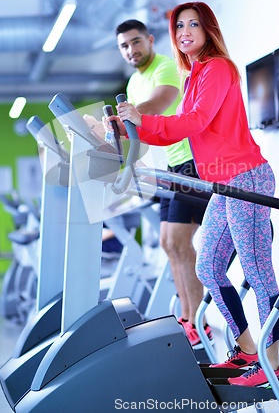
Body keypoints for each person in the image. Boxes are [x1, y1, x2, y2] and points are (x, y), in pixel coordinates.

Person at [110, 2, 279, 389]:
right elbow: (177, 130)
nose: (185, 31)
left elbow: (196, 120)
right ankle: (247, 352)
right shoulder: (195, 76)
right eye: (179, 26)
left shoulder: (218, 67)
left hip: (247, 178)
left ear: (208, 29)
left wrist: (141, 118)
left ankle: (271, 364)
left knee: (257, 272)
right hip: (224, 183)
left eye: (193, 24)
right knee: (207, 268)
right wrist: (128, 129)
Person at [86, 19, 210, 349]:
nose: (131, 50)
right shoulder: (132, 79)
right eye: (124, 46)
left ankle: (199, 321)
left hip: (192, 162)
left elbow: (160, 102)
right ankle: (188, 318)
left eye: (136, 42)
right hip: (171, 165)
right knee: (169, 243)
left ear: (150, 40)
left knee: (180, 242)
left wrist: (123, 118)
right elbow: (139, 132)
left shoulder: (164, 67)